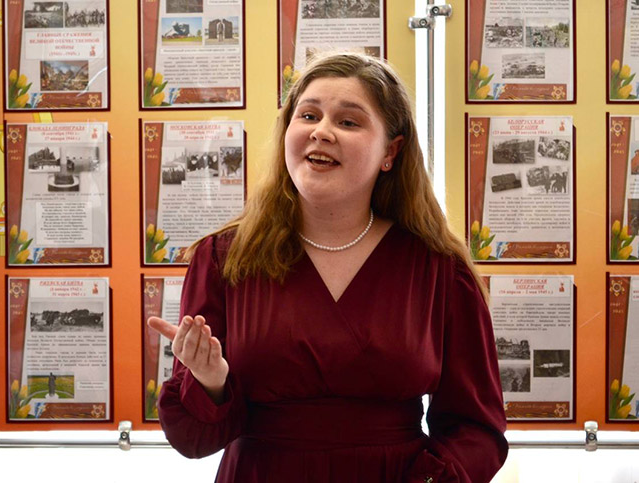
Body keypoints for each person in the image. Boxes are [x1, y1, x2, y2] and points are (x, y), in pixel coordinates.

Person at [148, 52, 508, 482]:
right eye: (308, 115)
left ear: (390, 151)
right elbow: (192, 439)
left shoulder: (439, 268)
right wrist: (212, 383)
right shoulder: (225, 258)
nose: (321, 131)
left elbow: (477, 430)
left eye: (348, 122)